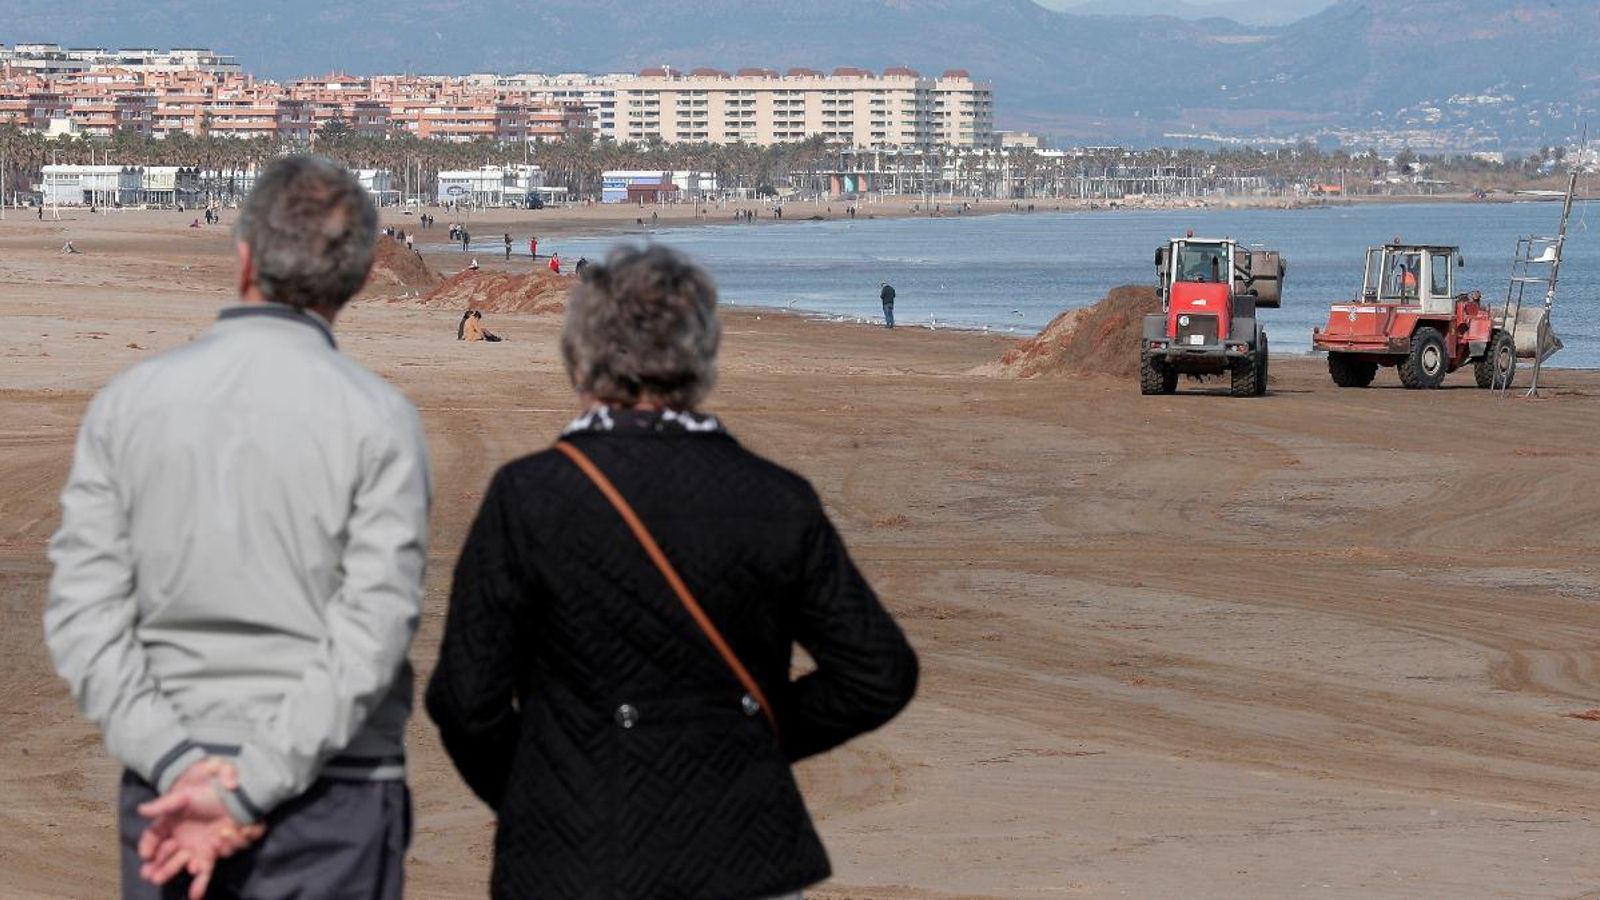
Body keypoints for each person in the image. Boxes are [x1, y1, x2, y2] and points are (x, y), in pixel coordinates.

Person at [426, 245, 917, 899]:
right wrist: (746, 737)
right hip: (739, 850)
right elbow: (877, 672)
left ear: (579, 360)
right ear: (703, 360)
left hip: (576, 857)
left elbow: (465, 699)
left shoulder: (530, 495)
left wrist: (547, 785)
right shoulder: (774, 496)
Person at [44, 155, 431, 900]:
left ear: (244, 257)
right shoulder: (380, 420)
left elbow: (83, 616)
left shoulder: (130, 404)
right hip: (333, 793)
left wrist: (179, 766)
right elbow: (373, 632)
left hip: (173, 786)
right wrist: (242, 789)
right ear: (353, 280)